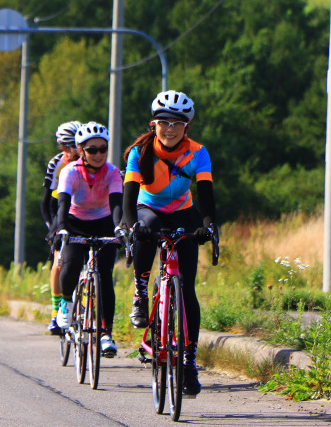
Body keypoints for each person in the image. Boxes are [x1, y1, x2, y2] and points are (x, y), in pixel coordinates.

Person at [122, 90, 218, 395]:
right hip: (148, 208)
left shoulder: (198, 152)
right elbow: (129, 194)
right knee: (146, 229)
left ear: (186, 127)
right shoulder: (140, 151)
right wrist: (130, 224)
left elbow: (206, 195)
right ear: (154, 124)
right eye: (164, 122)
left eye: (178, 123)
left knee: (187, 288)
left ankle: (189, 363)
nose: (170, 128)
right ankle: (141, 290)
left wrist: (208, 227)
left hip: (182, 212)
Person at [54, 121, 123, 358]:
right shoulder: (70, 171)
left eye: (102, 149)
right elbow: (62, 204)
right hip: (75, 221)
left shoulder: (113, 173)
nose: (98, 154)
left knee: (104, 277)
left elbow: (116, 205)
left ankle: (106, 334)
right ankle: (65, 303)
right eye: (92, 150)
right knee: (72, 262)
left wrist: (118, 229)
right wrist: (61, 228)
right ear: (81, 150)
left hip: (104, 221)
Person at [42, 121, 82, 335]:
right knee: (59, 260)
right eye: (65, 146)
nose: (71, 151)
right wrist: (52, 229)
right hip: (61, 207)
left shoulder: (93, 159)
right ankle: (56, 312)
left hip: (87, 208)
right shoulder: (57, 163)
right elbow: (46, 202)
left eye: (74, 145)